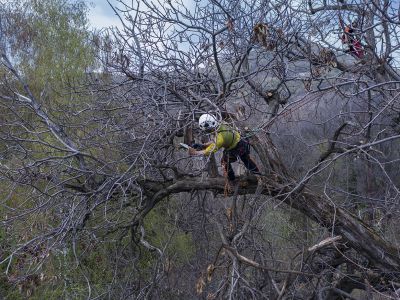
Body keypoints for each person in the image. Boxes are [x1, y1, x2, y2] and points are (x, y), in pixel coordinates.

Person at [188, 114, 260, 182]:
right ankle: (258, 173)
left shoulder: (221, 138)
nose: (209, 132)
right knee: (246, 160)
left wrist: (196, 152)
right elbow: (215, 139)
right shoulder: (222, 123)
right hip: (240, 141)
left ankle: (232, 180)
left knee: (225, 162)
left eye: (208, 130)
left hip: (235, 146)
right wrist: (203, 145)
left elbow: (210, 150)